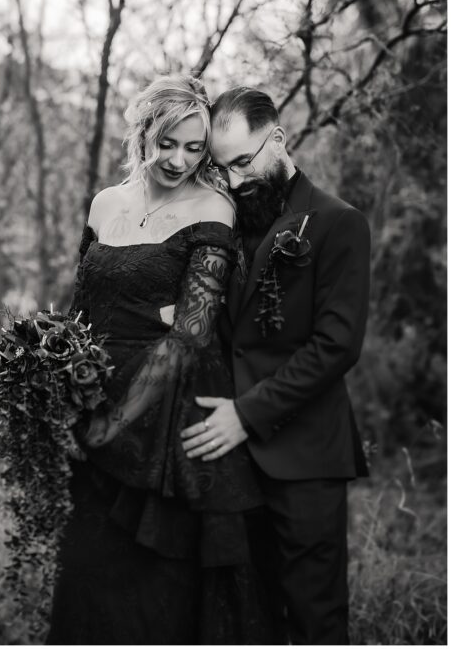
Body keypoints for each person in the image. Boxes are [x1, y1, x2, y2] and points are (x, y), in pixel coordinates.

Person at [47, 75, 274, 645]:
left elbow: (191, 334)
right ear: (143, 132)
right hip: (93, 399)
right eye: (168, 142)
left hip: (167, 422)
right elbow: (80, 314)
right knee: (89, 579)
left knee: (158, 593)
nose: (179, 159)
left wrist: (113, 424)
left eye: (195, 148)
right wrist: (62, 395)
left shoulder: (213, 208)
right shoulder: (105, 204)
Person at [181, 86, 370, 645]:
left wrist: (246, 413)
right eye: (224, 168)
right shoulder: (225, 223)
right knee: (250, 617)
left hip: (306, 456)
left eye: (244, 161)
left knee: (315, 618)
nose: (236, 180)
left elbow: (337, 346)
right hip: (233, 467)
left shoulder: (339, 223)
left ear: (279, 139)